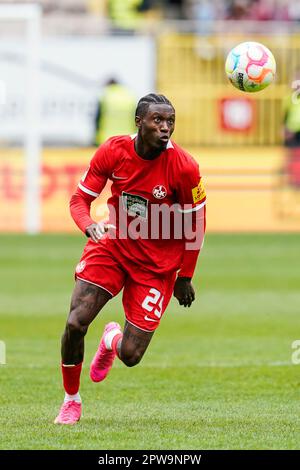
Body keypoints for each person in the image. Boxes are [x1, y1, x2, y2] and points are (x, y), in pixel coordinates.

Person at [54, 93, 206, 425]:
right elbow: (80, 199)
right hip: (113, 246)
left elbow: (197, 222)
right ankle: (71, 400)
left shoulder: (184, 167)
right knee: (75, 322)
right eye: (157, 120)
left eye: (170, 121)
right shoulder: (114, 150)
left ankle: (111, 339)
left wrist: (185, 276)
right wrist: (89, 225)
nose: (165, 128)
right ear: (139, 122)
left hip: (157, 265)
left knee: (131, 356)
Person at [94, 78, 136, 147]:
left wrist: (95, 140)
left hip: (107, 141)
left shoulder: (105, 96)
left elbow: (97, 120)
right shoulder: (130, 97)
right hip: (128, 140)